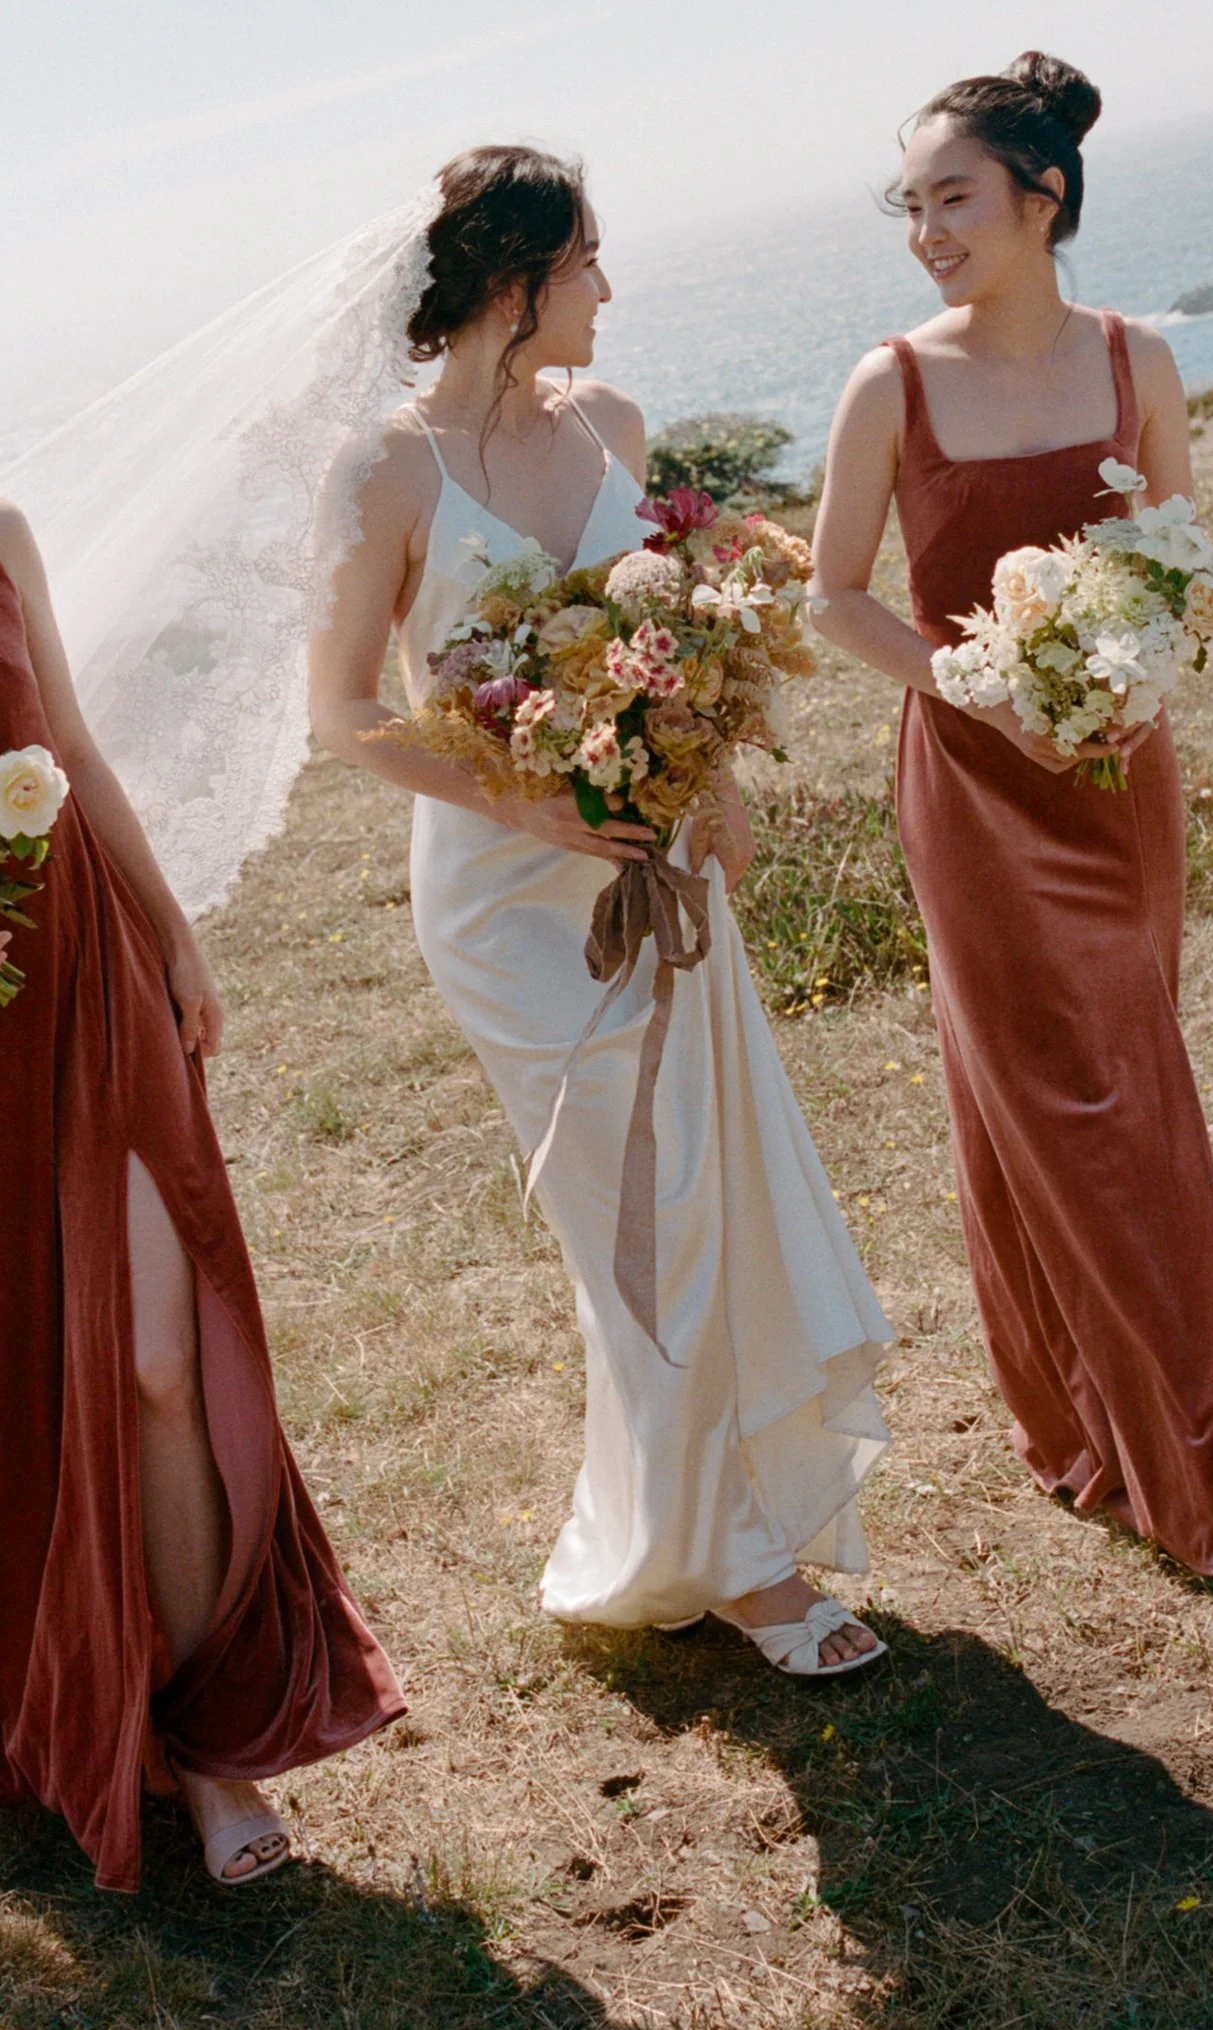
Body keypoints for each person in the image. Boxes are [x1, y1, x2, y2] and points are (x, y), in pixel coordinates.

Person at [0, 281, 404, 1894]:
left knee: (156, 1358)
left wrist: (172, 934)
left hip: (85, 986)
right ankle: (63, 1713)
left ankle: (210, 1741)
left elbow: (68, 743)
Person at [308, 146, 894, 1675]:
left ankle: (722, 1523)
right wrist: (531, 803)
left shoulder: (612, 425)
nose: (607, 292)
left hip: (664, 869)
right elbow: (349, 715)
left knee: (715, 1187)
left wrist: (711, 777)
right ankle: (737, 1563)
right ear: (511, 283)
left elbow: (679, 633)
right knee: (638, 1217)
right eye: (585, 265)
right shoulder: (385, 473)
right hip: (512, 903)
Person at [808, 56, 1213, 1581]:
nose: (926, 231)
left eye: (952, 197)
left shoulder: (1133, 358)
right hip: (972, 787)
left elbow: (1169, 556)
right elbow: (832, 596)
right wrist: (975, 686)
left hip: (1113, 776)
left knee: (1126, 1087)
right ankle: (1199, 1471)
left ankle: (1111, 1401)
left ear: (1043, 198)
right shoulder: (887, 381)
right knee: (1059, 1107)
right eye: (912, 204)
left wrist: (1125, 676)